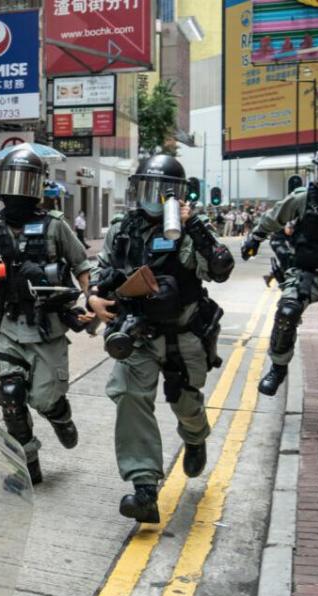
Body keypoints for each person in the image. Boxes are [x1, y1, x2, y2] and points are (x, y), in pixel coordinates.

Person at [89, 155, 234, 522]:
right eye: (146, 188)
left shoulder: (187, 231)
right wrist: (93, 295)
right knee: (129, 395)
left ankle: (195, 436)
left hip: (183, 336)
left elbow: (220, 268)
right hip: (137, 334)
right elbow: (102, 268)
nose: (152, 197)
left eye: (162, 191)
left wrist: (193, 224)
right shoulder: (123, 227)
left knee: (185, 404)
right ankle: (144, 488)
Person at [0, 148, 93, 484]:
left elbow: (81, 264)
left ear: (38, 186)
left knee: (44, 398)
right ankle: (27, 464)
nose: (17, 190)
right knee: (10, 395)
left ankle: (59, 413)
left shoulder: (55, 227)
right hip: (8, 327)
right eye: (10, 181)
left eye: (25, 181)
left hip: (48, 327)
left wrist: (92, 296)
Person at [243, 140, 318, 395]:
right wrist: (254, 239)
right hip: (306, 272)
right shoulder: (304, 199)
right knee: (287, 311)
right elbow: (273, 219)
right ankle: (278, 368)